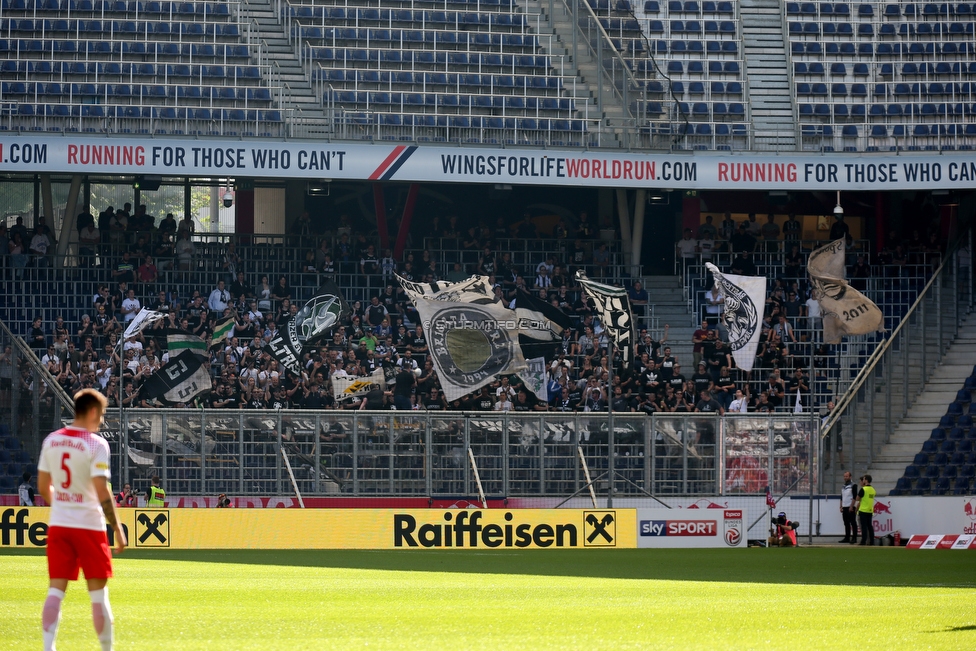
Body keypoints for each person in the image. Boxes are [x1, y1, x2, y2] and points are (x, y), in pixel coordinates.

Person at [36, 389, 126, 651]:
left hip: (60, 525)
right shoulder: (96, 444)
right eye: (102, 415)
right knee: (98, 594)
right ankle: (106, 649)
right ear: (93, 412)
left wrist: (64, 505)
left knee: (55, 591)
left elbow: (43, 487)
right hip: (89, 526)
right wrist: (117, 528)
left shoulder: (51, 441)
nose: (101, 421)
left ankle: (47, 647)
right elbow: (101, 490)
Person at [855, 474, 876, 546]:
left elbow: (857, 498)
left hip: (863, 510)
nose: (863, 480)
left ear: (866, 480)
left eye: (864, 479)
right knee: (870, 526)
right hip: (870, 510)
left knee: (864, 527)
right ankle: (872, 541)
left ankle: (863, 541)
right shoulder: (873, 490)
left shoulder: (863, 489)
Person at [839, 471, 859, 544]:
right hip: (844, 506)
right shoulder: (843, 486)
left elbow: (854, 496)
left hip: (850, 507)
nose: (845, 478)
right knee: (846, 523)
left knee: (853, 523)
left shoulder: (854, 485)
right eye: (844, 476)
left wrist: (851, 506)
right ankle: (847, 537)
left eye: (847, 476)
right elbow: (841, 497)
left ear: (850, 477)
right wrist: (840, 506)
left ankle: (854, 538)